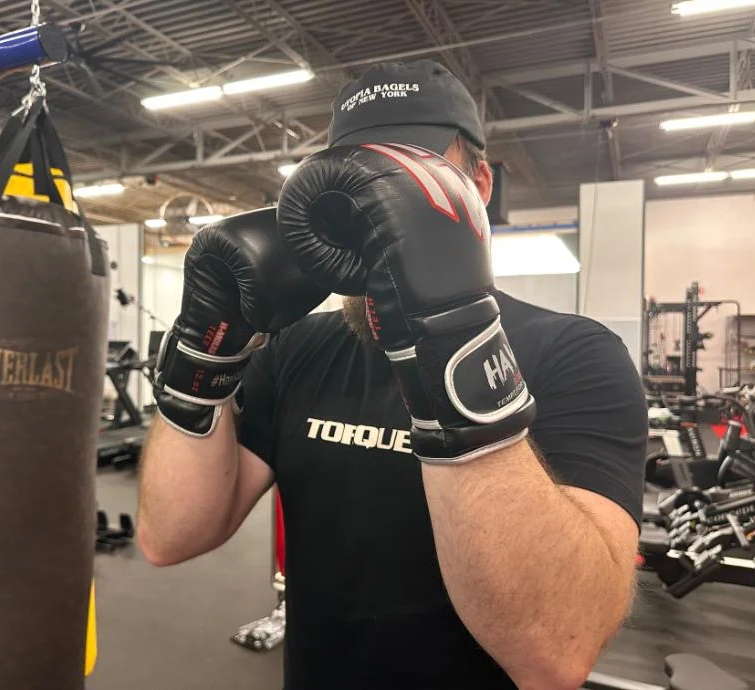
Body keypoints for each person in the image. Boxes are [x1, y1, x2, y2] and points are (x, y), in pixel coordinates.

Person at [138, 59, 647, 690]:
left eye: (411, 172)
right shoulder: (298, 349)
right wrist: (206, 353)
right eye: (355, 180)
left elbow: (554, 653)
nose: (377, 203)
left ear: (479, 185)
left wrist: (444, 327)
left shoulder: (576, 354)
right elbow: (170, 535)